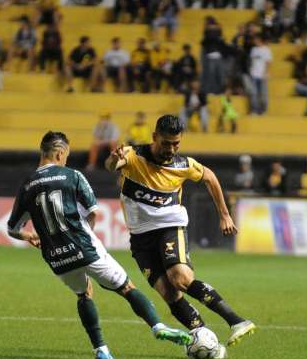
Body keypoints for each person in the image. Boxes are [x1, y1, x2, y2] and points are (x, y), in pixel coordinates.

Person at [6, 131, 192, 359]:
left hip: (55, 256)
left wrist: (30, 236)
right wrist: (85, 234)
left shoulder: (27, 185)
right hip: (85, 246)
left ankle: (101, 350)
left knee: (84, 294)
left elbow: (13, 228)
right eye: (66, 155)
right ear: (60, 153)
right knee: (126, 287)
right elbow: (94, 211)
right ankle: (157, 326)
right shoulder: (72, 175)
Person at [105, 115, 256, 346]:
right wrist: (113, 159)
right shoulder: (133, 155)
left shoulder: (183, 165)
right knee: (168, 293)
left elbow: (210, 177)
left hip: (169, 226)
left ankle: (237, 321)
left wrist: (225, 215)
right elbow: (111, 166)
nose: (171, 149)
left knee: (181, 278)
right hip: (140, 237)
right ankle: (205, 339)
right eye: (166, 143)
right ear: (154, 137)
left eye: (176, 143)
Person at [245, 34, 271, 115]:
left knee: (263, 94)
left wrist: (266, 72)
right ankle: (254, 110)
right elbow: (252, 61)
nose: (254, 41)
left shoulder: (266, 49)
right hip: (254, 74)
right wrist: (251, 71)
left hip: (262, 75)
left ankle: (263, 110)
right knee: (254, 93)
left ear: (260, 39)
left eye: (255, 39)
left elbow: (269, 62)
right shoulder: (253, 49)